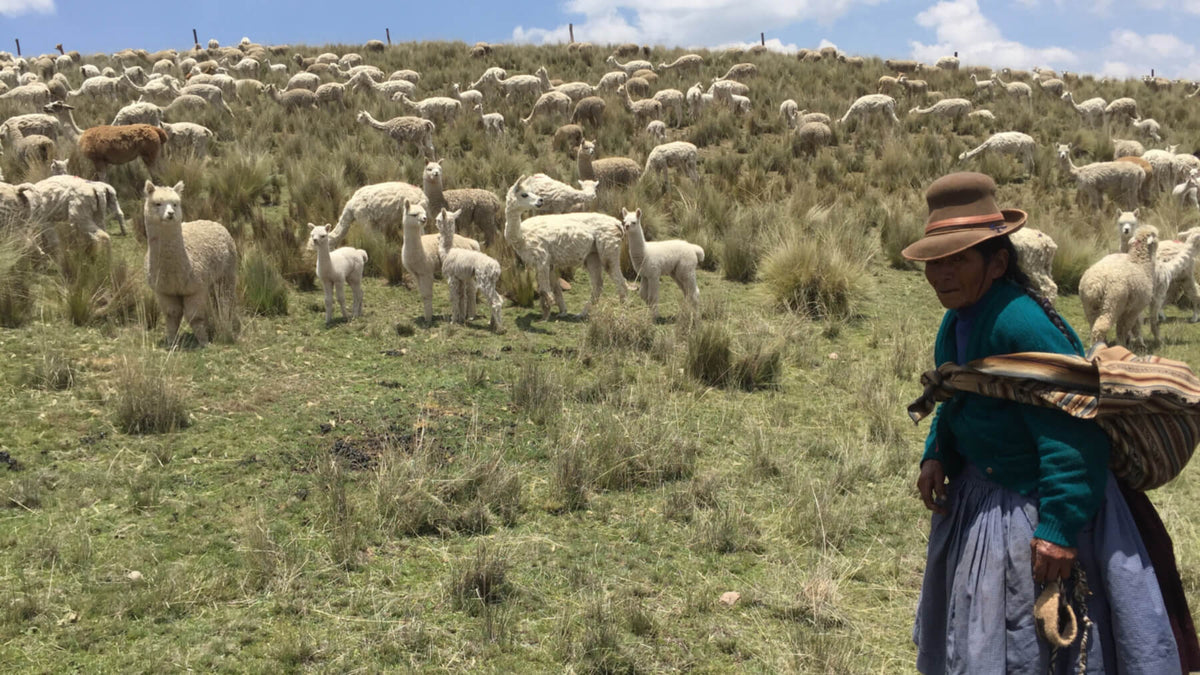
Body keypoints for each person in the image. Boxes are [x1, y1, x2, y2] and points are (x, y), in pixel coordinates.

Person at [904, 172, 1190, 674]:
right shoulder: (957, 318)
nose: (941, 274)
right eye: (934, 261)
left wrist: (1058, 527)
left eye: (957, 260)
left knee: (1038, 647)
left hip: (1034, 503)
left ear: (996, 262)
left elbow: (1072, 429)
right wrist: (936, 454)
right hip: (983, 498)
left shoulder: (1017, 321)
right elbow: (955, 394)